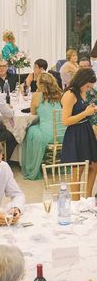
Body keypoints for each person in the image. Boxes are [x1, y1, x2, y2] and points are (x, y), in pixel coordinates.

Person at [60, 68, 97, 197]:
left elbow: (84, 110)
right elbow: (65, 121)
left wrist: (91, 111)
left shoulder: (84, 92)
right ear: (81, 81)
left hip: (86, 130)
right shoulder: (70, 94)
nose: (89, 88)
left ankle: (87, 198)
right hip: (75, 134)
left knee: (94, 166)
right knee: (78, 170)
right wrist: (85, 113)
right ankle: (76, 202)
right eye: (87, 86)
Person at [21, 73, 65, 180]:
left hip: (46, 135)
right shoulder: (61, 94)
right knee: (36, 128)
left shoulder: (37, 96)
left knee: (30, 130)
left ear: (40, 84)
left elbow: (33, 113)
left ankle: (34, 163)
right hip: (63, 134)